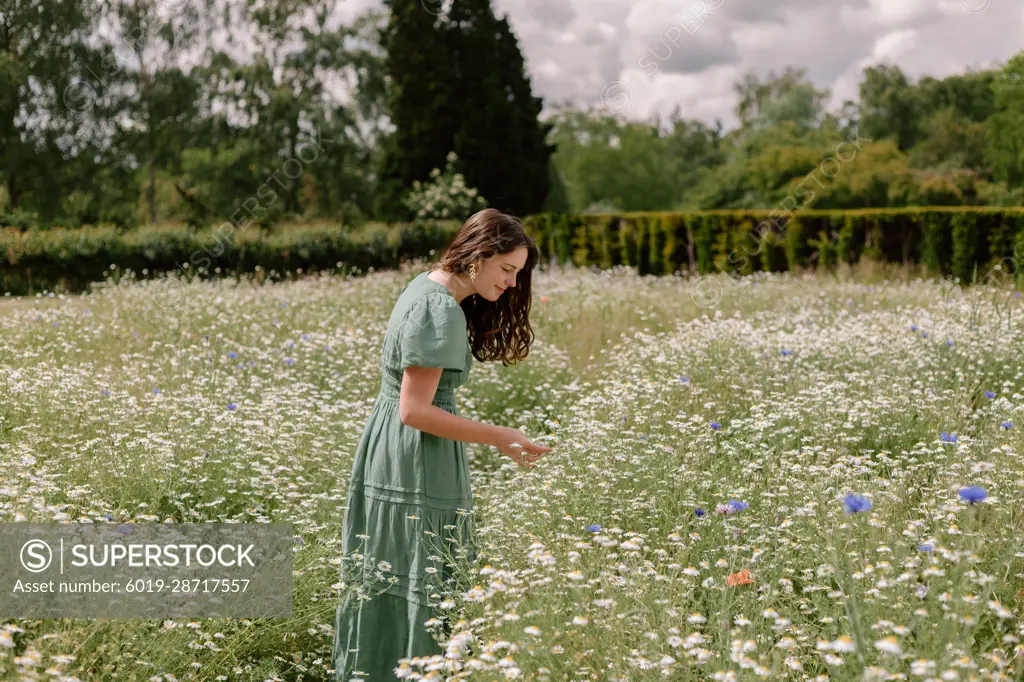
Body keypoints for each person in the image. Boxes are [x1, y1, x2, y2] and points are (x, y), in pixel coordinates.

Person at [332, 208, 554, 680]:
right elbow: (414, 410)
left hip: (392, 447)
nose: (513, 284)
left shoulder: (424, 286)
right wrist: (501, 437)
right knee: (426, 576)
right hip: (418, 453)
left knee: (392, 571)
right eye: (507, 270)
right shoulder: (439, 308)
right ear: (478, 256)